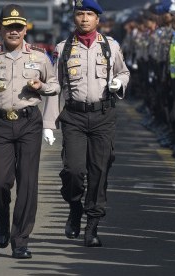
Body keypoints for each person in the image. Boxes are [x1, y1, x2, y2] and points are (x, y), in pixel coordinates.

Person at [0, 4, 59, 259]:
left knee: (28, 184)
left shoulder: (40, 56)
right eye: (9, 27)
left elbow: (54, 86)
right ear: (0, 28)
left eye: (18, 27)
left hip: (29, 121)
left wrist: (42, 87)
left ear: (25, 29)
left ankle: (20, 240)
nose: (14, 31)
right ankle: (1, 215)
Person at [42, 0, 130, 247]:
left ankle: (92, 225)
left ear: (97, 19)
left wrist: (119, 83)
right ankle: (74, 206)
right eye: (80, 14)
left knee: (99, 172)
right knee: (73, 170)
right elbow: (55, 85)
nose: (84, 18)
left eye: (89, 14)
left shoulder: (110, 47)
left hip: (103, 116)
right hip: (74, 117)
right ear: (74, 18)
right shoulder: (63, 49)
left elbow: (124, 72)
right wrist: (49, 123)